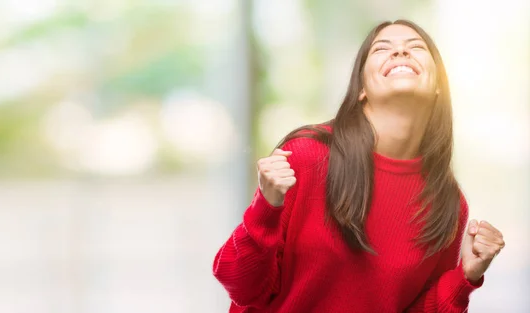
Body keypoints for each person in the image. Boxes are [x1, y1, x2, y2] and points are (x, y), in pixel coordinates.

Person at [212, 19, 505, 313]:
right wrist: (266, 208)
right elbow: (242, 287)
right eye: (383, 48)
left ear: (439, 86)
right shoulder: (305, 156)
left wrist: (466, 276)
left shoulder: (448, 203)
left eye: (415, 47)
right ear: (362, 88)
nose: (401, 52)